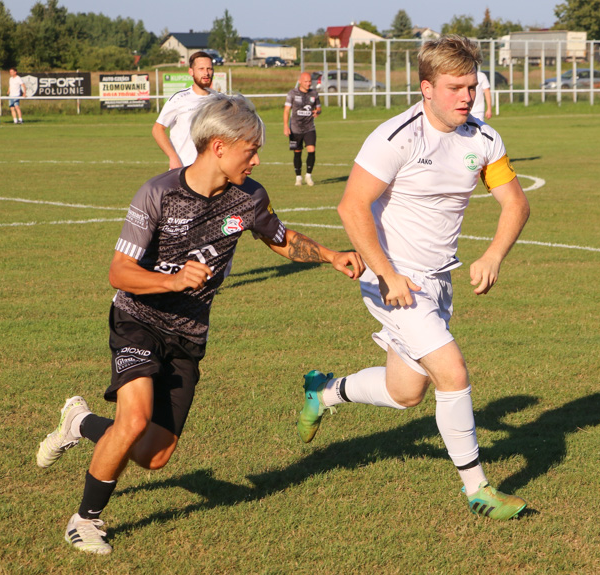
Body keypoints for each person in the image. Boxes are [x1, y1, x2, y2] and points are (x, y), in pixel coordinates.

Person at [36, 93, 365, 555]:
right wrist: (169, 280)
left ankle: (80, 422)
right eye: (250, 149)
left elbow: (280, 237)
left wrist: (331, 256)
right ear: (219, 147)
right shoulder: (158, 193)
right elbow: (118, 272)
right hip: (138, 318)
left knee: (154, 455)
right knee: (132, 420)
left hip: (189, 334)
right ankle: (84, 520)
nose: (257, 157)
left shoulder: (250, 197)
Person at [297, 36, 531, 520]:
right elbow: (351, 206)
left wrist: (493, 254)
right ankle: (478, 490)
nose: (466, 97)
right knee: (453, 372)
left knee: (407, 393)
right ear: (426, 88)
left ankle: (323, 392)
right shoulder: (396, 136)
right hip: (393, 280)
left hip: (438, 282)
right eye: (455, 88)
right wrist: (387, 274)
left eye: (471, 86)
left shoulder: (484, 139)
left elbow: (516, 203)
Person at [152, 51, 215, 169]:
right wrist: (173, 157)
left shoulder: (219, 100)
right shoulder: (179, 99)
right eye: (201, 69)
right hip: (183, 170)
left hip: (211, 171)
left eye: (209, 69)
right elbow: (157, 129)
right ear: (191, 71)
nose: (206, 73)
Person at [283, 72, 321, 186]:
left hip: (309, 127)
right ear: (300, 81)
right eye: (306, 81)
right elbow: (286, 110)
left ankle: (308, 175)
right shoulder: (292, 93)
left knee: (311, 150)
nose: (308, 83)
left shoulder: (314, 93)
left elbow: (319, 108)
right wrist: (286, 126)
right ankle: (298, 177)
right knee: (297, 152)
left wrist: (317, 112)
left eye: (310, 81)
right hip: (295, 128)